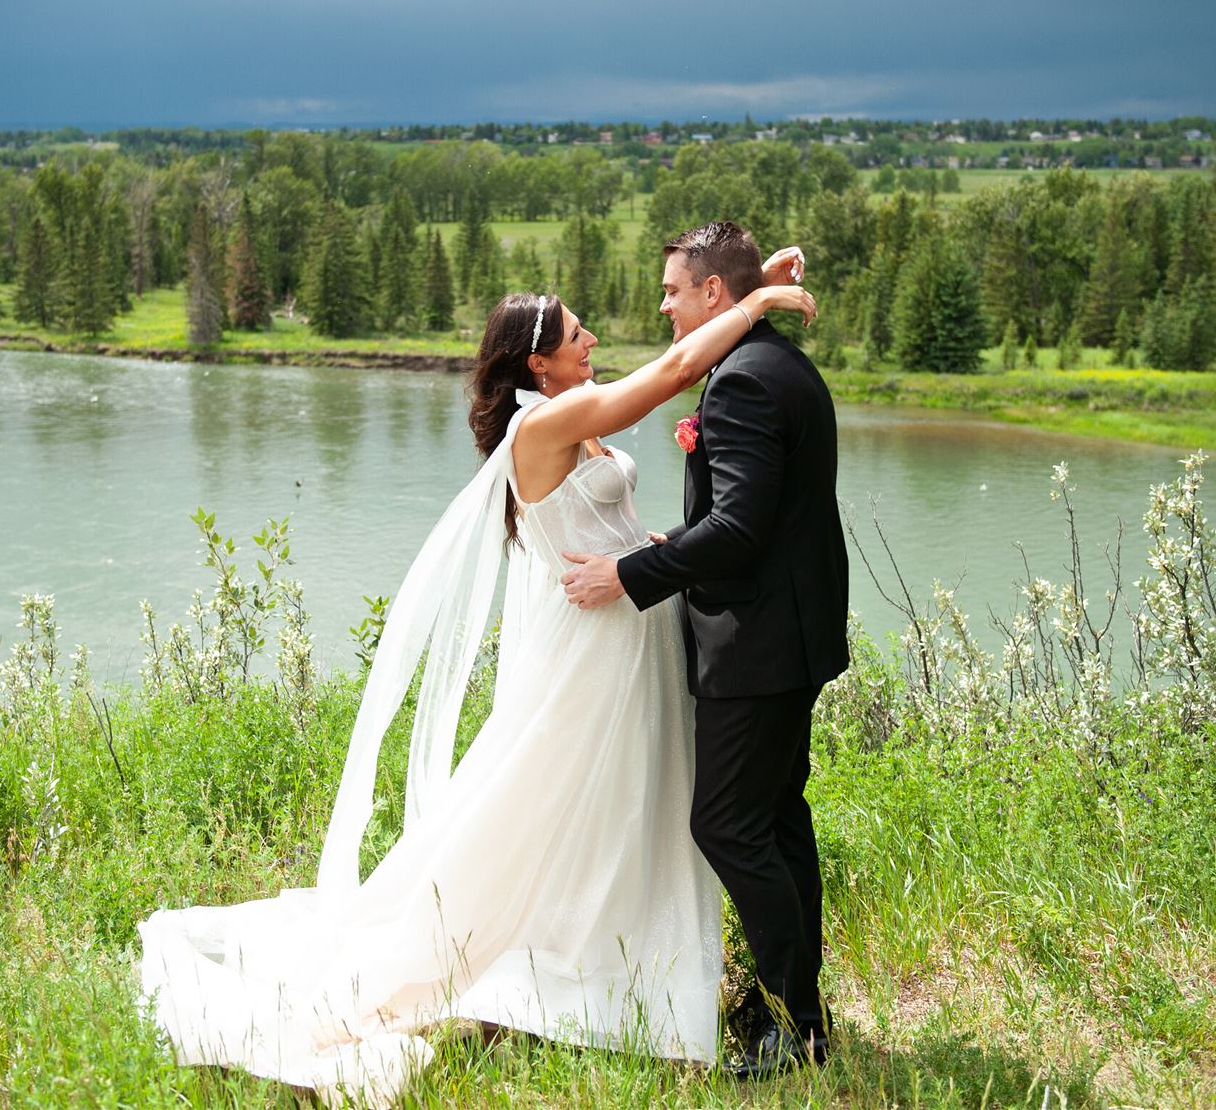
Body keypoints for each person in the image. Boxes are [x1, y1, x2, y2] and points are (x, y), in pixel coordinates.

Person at [137, 250, 816, 1104]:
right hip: (597, 649)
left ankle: (627, 958)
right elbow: (677, 369)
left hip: (632, 629)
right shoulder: (544, 426)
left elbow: (615, 480)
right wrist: (759, 298)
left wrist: (646, 550)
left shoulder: (571, 410)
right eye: (577, 333)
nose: (593, 339)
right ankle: (566, 969)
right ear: (538, 360)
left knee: (624, 802)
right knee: (563, 801)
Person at [560, 220, 849, 1077]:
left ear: (714, 291)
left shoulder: (744, 381)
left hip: (755, 644)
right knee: (776, 819)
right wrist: (677, 540)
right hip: (791, 630)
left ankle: (797, 1025)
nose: (664, 305)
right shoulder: (775, 361)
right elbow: (755, 516)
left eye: (673, 290)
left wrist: (630, 572)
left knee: (725, 823)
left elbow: (740, 527)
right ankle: (787, 1003)